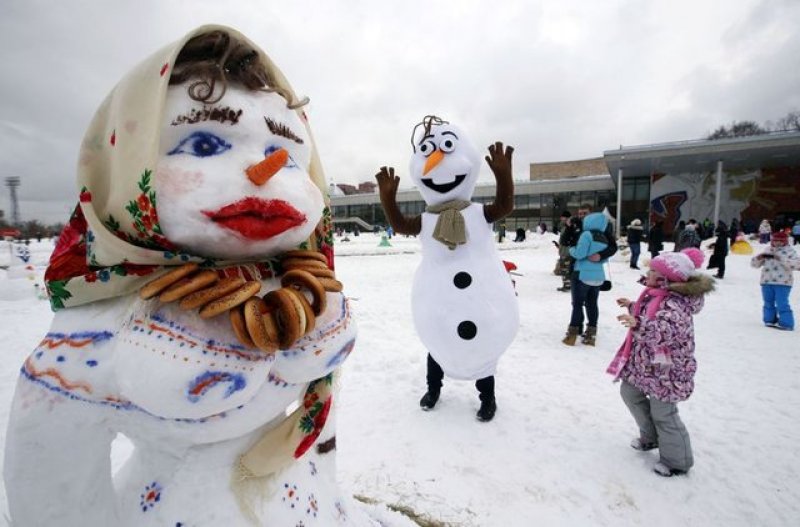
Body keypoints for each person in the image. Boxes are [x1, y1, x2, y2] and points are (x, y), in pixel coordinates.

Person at [607, 248, 712, 477]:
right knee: (629, 392)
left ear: (667, 277)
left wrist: (638, 323)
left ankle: (677, 460)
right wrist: (632, 306)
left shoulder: (676, 304)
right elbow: (650, 313)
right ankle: (651, 437)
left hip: (667, 369)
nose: (648, 272)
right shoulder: (655, 293)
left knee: (663, 412)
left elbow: (665, 330)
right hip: (645, 363)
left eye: (653, 270)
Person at [563, 211, 609, 346]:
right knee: (592, 304)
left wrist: (572, 249)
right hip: (598, 276)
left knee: (577, 304)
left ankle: (572, 334)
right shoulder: (603, 237)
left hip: (582, 274)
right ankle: (591, 334)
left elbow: (579, 254)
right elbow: (605, 258)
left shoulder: (586, 235)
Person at [751, 231, 800, 331]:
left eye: (780, 241)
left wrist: (780, 258)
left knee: (782, 302)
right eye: (775, 240)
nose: (778, 243)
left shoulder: (790, 251)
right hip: (767, 281)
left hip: (783, 282)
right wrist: (759, 258)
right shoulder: (768, 249)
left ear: (785, 241)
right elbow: (754, 265)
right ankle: (769, 320)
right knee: (768, 302)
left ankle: (787, 323)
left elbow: (797, 265)